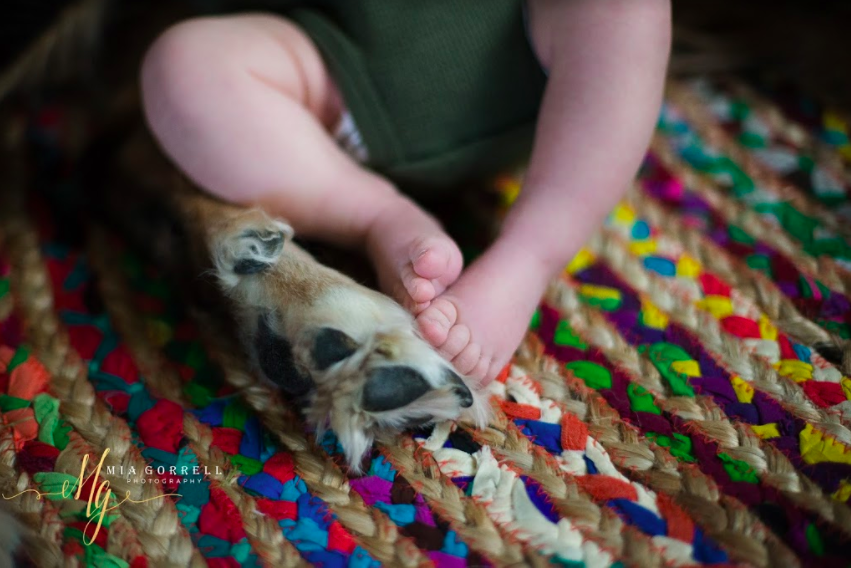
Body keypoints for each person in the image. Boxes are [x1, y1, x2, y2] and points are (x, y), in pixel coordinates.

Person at [140, 0, 672, 386]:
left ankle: (529, 253)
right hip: (334, 61)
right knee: (183, 64)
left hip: (521, 45)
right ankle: (372, 213)